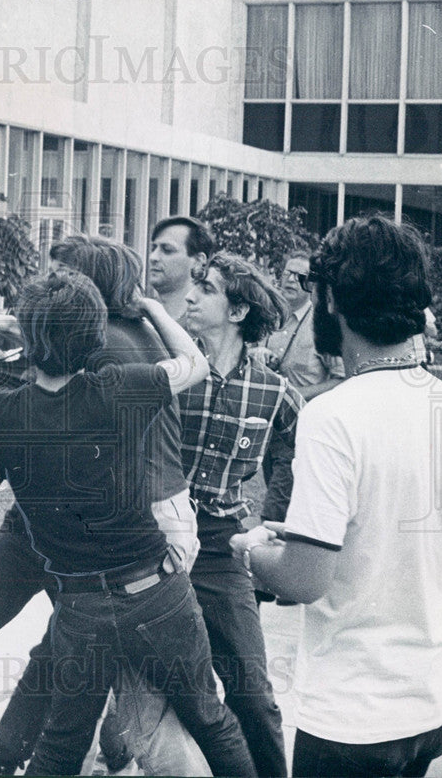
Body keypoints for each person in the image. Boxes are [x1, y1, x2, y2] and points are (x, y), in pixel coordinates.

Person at [0, 238, 204, 775]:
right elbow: (38, 383)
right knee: (49, 660)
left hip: (71, 533)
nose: (39, 294)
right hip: (74, 528)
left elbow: (42, 400)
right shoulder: (118, 339)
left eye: (56, 281)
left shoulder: (110, 351)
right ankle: (8, 758)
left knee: (0, 649)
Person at [0, 268, 256, 777]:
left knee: (60, 744)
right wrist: (155, 310)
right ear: (96, 337)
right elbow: (195, 364)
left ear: (29, 337)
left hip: (80, 605)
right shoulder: (120, 388)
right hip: (157, 591)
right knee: (211, 719)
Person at [230, 215, 442, 777]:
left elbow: (304, 579)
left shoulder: (332, 416)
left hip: (357, 717)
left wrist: (250, 549)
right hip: (437, 701)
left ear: (332, 300)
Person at [178, 251, 303, 777]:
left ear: (235, 312)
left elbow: (302, 455)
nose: (190, 294)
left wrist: (276, 523)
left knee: (253, 695)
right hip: (150, 539)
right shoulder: (172, 368)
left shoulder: (273, 389)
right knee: (120, 684)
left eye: (204, 287)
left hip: (221, 543)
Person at [256, 249, 345, 400]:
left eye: (300, 277)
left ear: (310, 284)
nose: (291, 280)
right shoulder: (265, 315)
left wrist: (298, 394)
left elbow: (341, 378)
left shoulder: (322, 324)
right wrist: (255, 353)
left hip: (303, 414)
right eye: (287, 273)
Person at [147, 216, 215, 324]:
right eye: (153, 249)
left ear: (198, 260)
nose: (153, 257)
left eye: (167, 250)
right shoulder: (141, 318)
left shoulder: (208, 323)